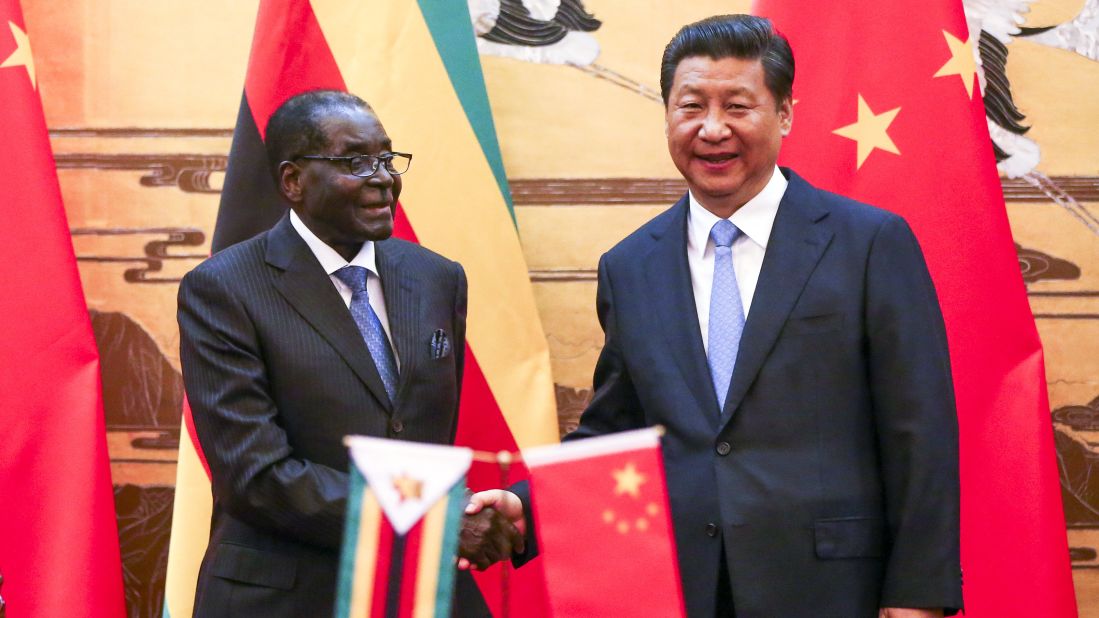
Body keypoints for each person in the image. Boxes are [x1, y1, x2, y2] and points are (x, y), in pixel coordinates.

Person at [472, 14, 962, 618]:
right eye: (691, 106)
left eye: (737, 106)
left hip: (833, 589)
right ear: (668, 115)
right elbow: (616, 432)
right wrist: (529, 508)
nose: (711, 129)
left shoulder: (867, 243)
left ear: (784, 113)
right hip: (685, 587)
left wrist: (918, 596)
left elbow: (921, 432)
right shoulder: (631, 266)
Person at [178, 90, 521, 617]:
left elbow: (417, 436)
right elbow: (256, 477)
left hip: (416, 592)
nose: (383, 177)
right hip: (287, 596)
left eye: (386, 158)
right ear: (293, 181)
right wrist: (433, 519)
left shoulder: (437, 278)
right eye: (355, 162)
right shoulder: (224, 289)